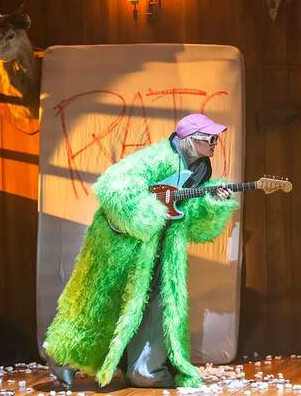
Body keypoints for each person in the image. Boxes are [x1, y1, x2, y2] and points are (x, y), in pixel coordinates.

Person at [43, 113, 238, 388]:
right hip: (122, 245)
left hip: (160, 249)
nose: (215, 143)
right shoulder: (157, 158)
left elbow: (194, 223)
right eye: (210, 138)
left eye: (216, 138)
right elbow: (113, 185)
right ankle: (61, 356)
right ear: (190, 139)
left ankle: (145, 368)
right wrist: (147, 216)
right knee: (100, 304)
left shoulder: (201, 170)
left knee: (159, 303)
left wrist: (212, 202)